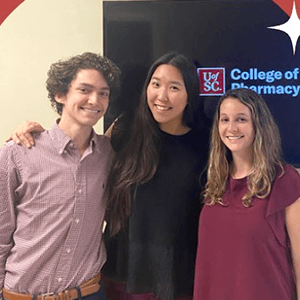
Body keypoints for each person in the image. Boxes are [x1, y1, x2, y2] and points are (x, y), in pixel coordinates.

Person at [7, 52, 209, 300]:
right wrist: (34, 136)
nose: (162, 96)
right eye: (155, 84)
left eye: (175, 87)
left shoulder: (206, 144)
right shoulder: (125, 131)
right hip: (120, 272)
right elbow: (73, 147)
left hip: (176, 275)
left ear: (190, 94)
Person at [0, 52, 120, 300]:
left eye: (103, 93)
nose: (94, 100)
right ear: (60, 94)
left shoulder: (108, 154)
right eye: (84, 90)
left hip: (88, 292)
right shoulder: (17, 154)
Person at [193, 88, 300, 300]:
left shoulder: (284, 181)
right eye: (224, 120)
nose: (231, 128)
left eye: (241, 119)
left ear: (258, 124)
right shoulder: (215, 183)